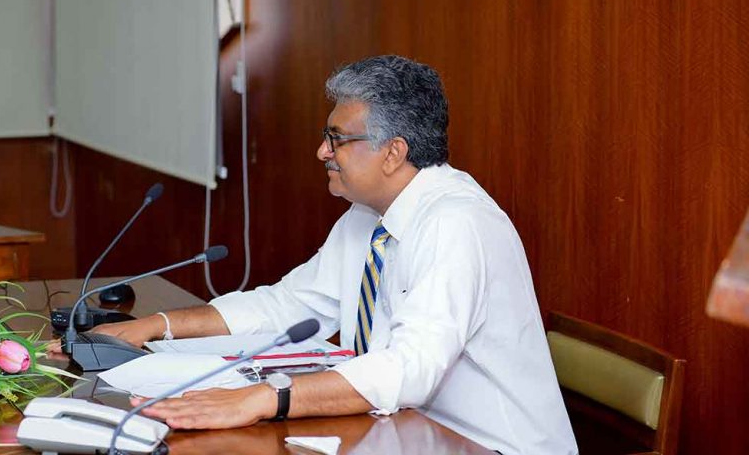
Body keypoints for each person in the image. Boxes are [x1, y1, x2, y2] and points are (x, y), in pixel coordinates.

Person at [87, 55, 577, 454]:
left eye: (337, 139)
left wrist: (265, 398)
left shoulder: (457, 223)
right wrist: (157, 326)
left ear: (393, 152)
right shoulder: (367, 217)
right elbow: (287, 305)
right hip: (404, 431)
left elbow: (411, 367)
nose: (322, 152)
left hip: (489, 445)